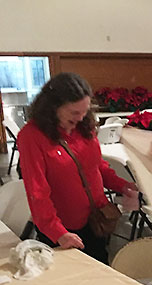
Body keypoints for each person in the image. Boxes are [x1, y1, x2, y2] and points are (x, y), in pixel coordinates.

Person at [17, 73, 138, 264]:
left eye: (84, 111)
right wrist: (58, 232)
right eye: (74, 112)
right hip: (63, 227)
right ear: (53, 107)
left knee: (100, 269)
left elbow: (98, 167)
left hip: (96, 219)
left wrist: (123, 186)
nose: (81, 117)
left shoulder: (84, 127)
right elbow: (37, 192)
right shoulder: (32, 136)